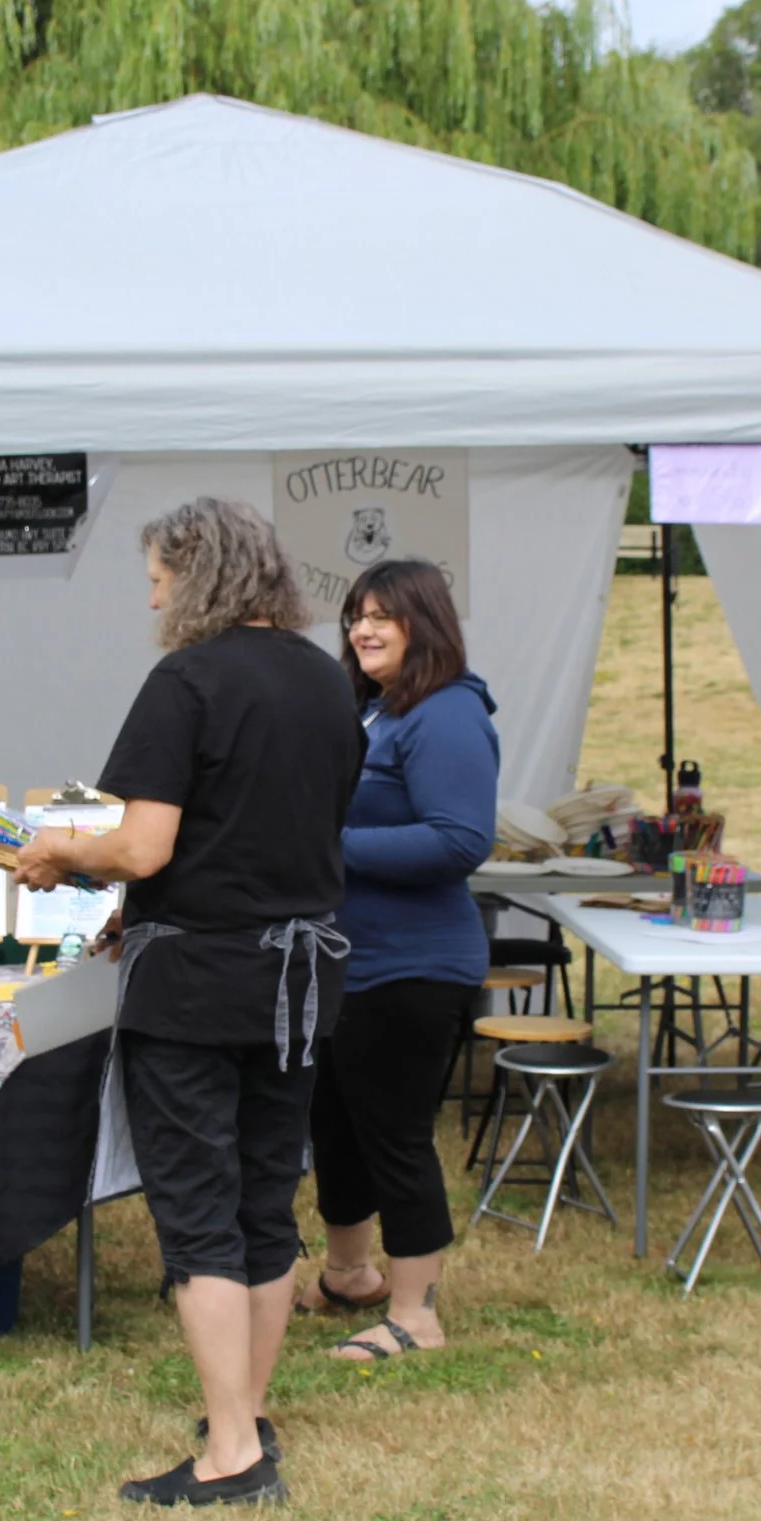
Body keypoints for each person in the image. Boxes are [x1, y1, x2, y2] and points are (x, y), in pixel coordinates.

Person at [13, 496, 363, 1507]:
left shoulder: (187, 680)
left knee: (201, 1214)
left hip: (198, 988)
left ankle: (230, 1457)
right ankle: (240, 1413)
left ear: (199, 570)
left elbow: (145, 846)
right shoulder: (323, 680)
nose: (153, 589)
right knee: (262, 1202)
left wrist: (59, 851)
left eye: (160, 570)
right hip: (297, 987)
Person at [301, 560, 498, 1361]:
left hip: (414, 968)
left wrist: (325, 850)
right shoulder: (378, 711)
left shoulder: (448, 713)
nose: (364, 628)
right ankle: (350, 1274)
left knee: (395, 1136)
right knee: (336, 1126)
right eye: (355, 614)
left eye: (385, 615)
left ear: (427, 623)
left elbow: (460, 840)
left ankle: (416, 1314)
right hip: (352, 962)